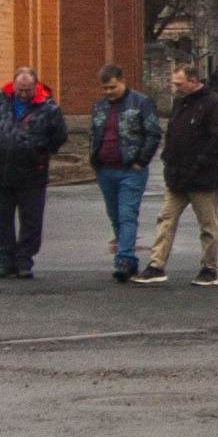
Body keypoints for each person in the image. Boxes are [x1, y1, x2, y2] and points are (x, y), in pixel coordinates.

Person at [138, 58, 218, 286]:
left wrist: (200, 161)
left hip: (202, 177)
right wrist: (168, 159)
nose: (176, 88)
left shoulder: (213, 103)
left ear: (193, 81)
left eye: (179, 84)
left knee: (208, 225)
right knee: (165, 219)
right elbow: (173, 134)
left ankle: (209, 269)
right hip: (176, 176)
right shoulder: (180, 103)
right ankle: (156, 265)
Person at [0, 66, 67, 278]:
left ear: (35, 86)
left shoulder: (49, 107)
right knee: (2, 218)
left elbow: (59, 135)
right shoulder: (0, 99)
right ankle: (5, 259)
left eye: (27, 90)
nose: (23, 94)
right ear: (14, 85)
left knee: (31, 219)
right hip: (2, 170)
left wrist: (39, 151)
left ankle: (24, 259)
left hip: (32, 171)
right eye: (20, 89)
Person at [87, 65, 162, 283]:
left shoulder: (141, 103)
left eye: (112, 87)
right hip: (105, 170)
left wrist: (141, 161)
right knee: (114, 214)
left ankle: (125, 258)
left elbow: (153, 133)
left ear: (123, 81)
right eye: (104, 88)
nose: (108, 92)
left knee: (127, 213)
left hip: (131, 170)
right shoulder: (99, 106)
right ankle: (126, 256)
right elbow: (95, 133)